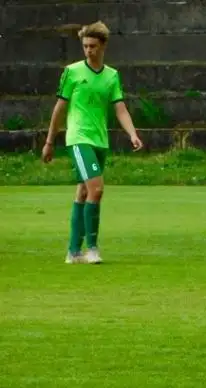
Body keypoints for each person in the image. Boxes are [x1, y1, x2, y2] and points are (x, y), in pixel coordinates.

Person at [41, 20, 143, 265]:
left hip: (100, 141)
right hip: (78, 138)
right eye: (85, 46)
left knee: (84, 191)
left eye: (93, 46)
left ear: (103, 46)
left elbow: (120, 109)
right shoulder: (72, 72)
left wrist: (132, 134)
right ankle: (92, 249)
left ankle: (73, 252)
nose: (88, 50)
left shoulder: (111, 76)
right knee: (97, 189)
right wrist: (49, 141)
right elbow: (59, 108)